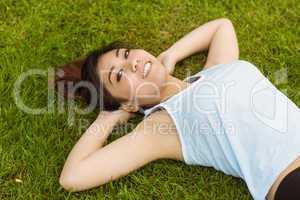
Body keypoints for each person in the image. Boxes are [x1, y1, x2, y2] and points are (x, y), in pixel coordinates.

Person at [56, 18, 300, 200]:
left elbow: (221, 27)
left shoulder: (217, 67)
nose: (133, 62)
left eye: (126, 54)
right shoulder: (162, 126)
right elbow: (72, 177)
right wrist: (109, 116)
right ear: (128, 102)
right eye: (120, 75)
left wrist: (170, 54)